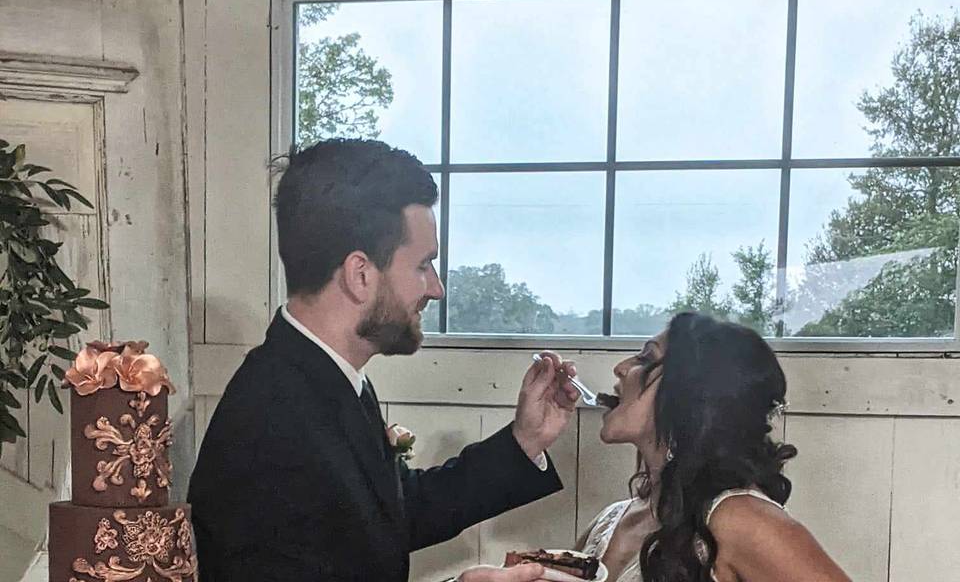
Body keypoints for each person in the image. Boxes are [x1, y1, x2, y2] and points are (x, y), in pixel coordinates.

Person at [188, 139, 579, 582]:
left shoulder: (322, 378)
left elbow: (385, 516)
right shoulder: (271, 420)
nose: (436, 289)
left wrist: (525, 440)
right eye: (422, 266)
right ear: (360, 274)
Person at [576, 312, 850, 582]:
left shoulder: (739, 518)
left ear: (693, 394)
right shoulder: (610, 521)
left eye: (646, 358)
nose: (621, 367)